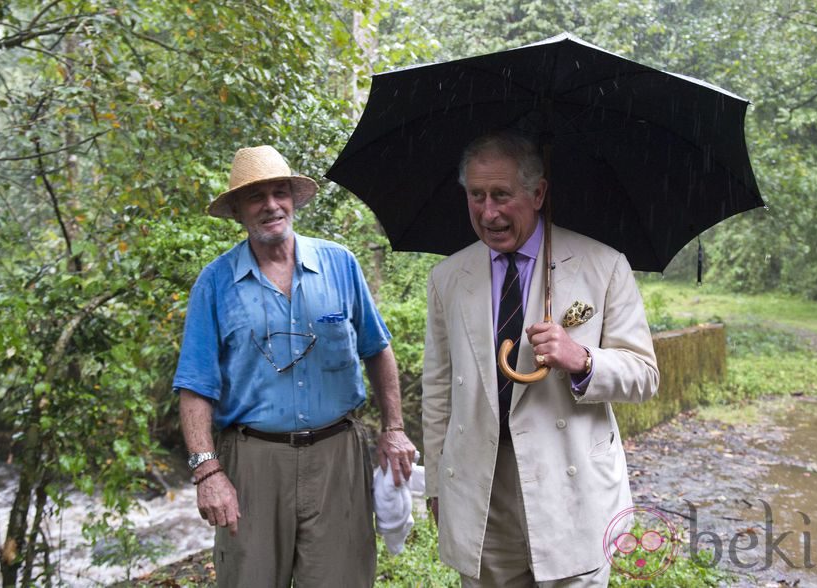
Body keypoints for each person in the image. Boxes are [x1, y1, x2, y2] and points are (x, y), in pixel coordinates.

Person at [422, 131, 659, 587]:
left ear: (539, 193)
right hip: (482, 486)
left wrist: (584, 359)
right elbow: (437, 389)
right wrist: (437, 484)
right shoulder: (448, 277)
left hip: (572, 485)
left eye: (502, 195)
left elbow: (644, 376)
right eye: (476, 195)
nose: (488, 212)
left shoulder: (603, 265)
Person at [173, 145, 416, 587]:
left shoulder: (339, 263)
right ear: (237, 211)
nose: (271, 205)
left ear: (293, 199)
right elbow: (195, 386)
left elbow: (377, 349)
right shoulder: (214, 283)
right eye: (256, 197)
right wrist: (207, 472)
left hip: (337, 454)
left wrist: (394, 428)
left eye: (279, 192)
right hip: (252, 461)